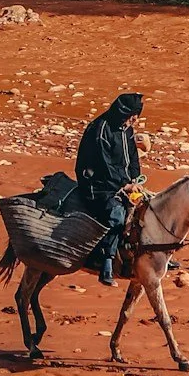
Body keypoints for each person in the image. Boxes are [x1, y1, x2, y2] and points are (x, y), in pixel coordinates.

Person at [75, 90, 145, 286]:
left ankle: (149, 255)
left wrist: (136, 179)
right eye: (132, 115)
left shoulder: (126, 129)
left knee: (146, 209)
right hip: (97, 184)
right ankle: (107, 260)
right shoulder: (101, 130)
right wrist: (124, 185)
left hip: (123, 183)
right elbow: (104, 166)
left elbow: (133, 157)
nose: (135, 119)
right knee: (117, 216)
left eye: (136, 115)